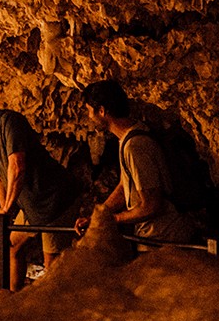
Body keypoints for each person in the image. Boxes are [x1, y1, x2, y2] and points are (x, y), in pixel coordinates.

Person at [0, 80, 82, 290]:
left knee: (52, 264)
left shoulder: (10, 121)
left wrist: (7, 207)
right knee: (13, 246)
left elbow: (16, 166)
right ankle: (13, 299)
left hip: (53, 199)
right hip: (30, 203)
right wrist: (4, 213)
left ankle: (58, 310)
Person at [74, 80, 197, 248]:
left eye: (89, 111)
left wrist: (114, 219)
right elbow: (126, 185)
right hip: (156, 236)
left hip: (163, 239)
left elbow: (151, 205)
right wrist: (98, 217)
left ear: (101, 111)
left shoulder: (135, 146)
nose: (89, 117)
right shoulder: (129, 136)